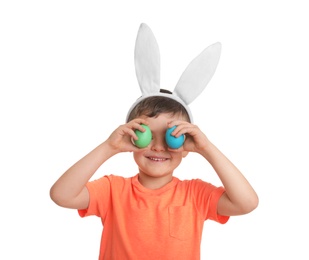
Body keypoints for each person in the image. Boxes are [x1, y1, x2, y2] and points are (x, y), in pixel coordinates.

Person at [50, 24, 258, 260]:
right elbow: (61, 195)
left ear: (186, 144)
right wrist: (109, 147)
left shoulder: (195, 194)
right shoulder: (112, 190)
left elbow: (247, 203)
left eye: (171, 136)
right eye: (147, 135)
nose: (158, 146)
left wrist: (206, 148)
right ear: (131, 137)